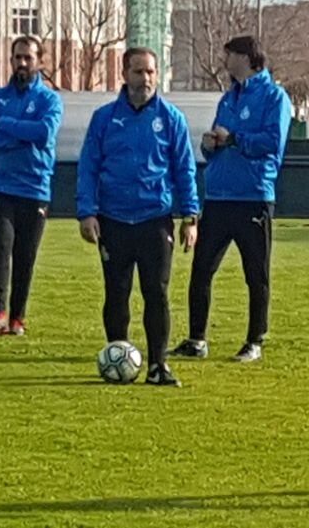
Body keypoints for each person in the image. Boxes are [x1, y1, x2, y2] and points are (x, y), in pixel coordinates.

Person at [76, 47, 199, 387]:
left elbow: (184, 170)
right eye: (138, 72)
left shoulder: (171, 118)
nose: (144, 79)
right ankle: (118, 357)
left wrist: (191, 217)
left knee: (156, 293)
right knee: (116, 292)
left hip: (155, 219)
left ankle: (159, 366)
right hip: (113, 220)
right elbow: (88, 167)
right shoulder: (104, 118)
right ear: (124, 74)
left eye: (150, 72)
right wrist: (87, 212)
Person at [170, 35, 292, 363]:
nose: (225, 61)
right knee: (201, 269)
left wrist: (235, 138)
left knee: (256, 273)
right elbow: (216, 142)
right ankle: (197, 339)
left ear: (246, 57)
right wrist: (210, 145)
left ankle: (255, 340)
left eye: (229, 55)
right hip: (219, 196)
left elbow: (273, 142)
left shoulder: (274, 97)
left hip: (253, 197)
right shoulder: (228, 99)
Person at [0, 36, 63, 337]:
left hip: (35, 187)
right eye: (17, 58)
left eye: (28, 57)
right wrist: (20, 135)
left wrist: (6, 126)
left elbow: (44, 132)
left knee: (26, 254)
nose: (22, 63)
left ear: (40, 61)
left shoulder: (49, 99)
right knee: (2, 245)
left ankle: (18, 318)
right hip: (0, 185)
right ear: (10, 61)